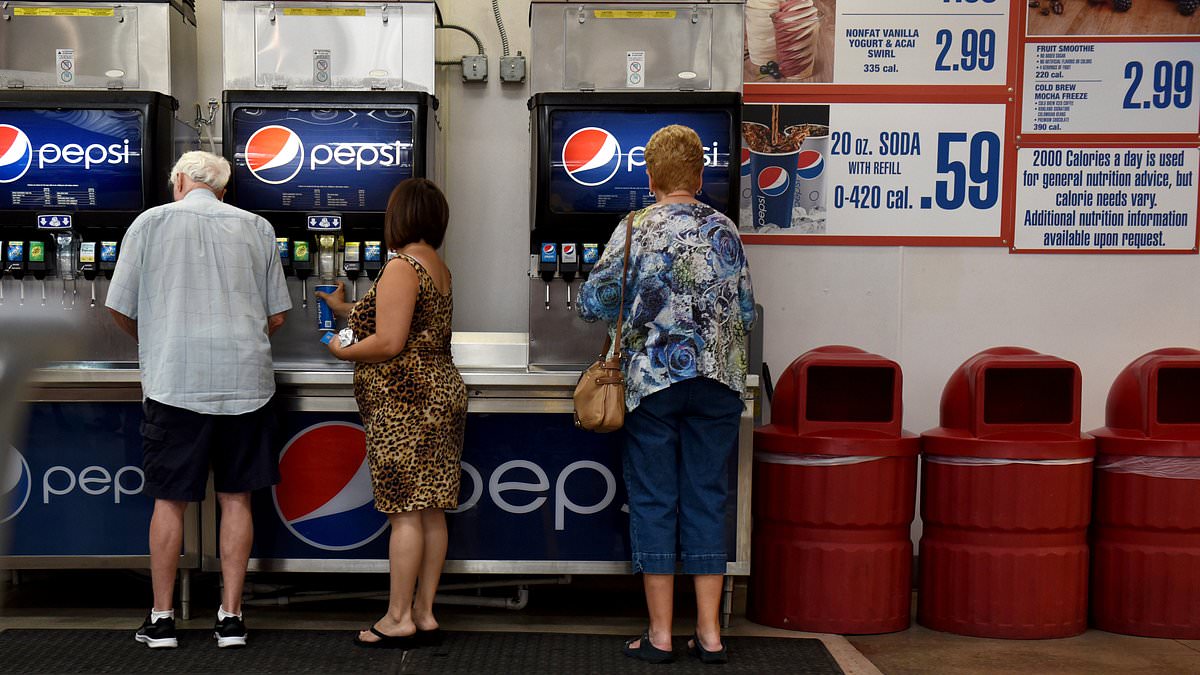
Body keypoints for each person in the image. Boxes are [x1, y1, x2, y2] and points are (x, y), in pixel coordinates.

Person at [578, 125, 755, 665]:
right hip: (719, 382)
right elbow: (746, 312)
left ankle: (659, 635)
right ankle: (709, 633)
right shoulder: (726, 229)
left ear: (650, 177)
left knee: (655, 501)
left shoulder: (634, 228)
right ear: (701, 176)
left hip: (655, 384)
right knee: (707, 497)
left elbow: (592, 303)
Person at [107, 151, 291, 649]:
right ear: (224, 189)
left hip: (174, 384)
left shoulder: (148, 223)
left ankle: (162, 618)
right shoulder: (257, 227)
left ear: (181, 181)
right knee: (237, 499)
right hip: (245, 386)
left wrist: (161, 337)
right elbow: (277, 315)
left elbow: (120, 308)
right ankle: (230, 617)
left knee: (170, 503)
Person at [314, 177, 467, 648]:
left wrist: (341, 352)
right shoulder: (436, 266)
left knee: (405, 514)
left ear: (398, 218)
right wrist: (345, 309)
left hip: (407, 404)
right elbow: (399, 316)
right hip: (439, 393)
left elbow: (389, 341)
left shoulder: (401, 265)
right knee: (432, 510)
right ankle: (423, 613)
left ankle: (397, 616)